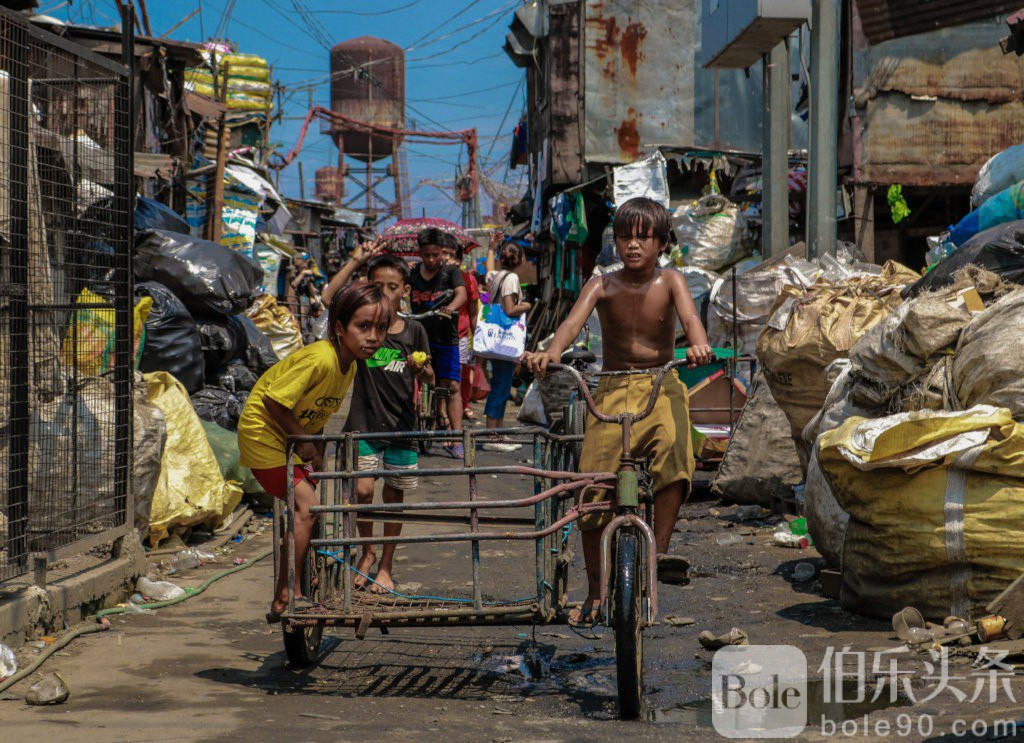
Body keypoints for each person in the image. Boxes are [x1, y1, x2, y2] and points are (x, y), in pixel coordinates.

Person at [522, 196, 713, 627]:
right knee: (590, 486)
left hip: (661, 382)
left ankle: (659, 553)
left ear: (662, 243)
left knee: (676, 455)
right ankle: (594, 592)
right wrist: (549, 353)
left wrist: (698, 343)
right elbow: (571, 325)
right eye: (625, 236)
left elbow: (691, 320)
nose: (633, 245)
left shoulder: (672, 281)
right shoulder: (601, 284)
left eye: (644, 237)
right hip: (610, 387)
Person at [238, 282, 392, 622]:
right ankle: (286, 593)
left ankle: (290, 588)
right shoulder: (321, 358)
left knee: (307, 507)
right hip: (263, 433)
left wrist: (317, 447)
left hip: (287, 437)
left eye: (381, 328)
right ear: (339, 328)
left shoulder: (348, 366)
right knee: (306, 507)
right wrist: (306, 442)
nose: (374, 337)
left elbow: (315, 410)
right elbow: (274, 402)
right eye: (363, 327)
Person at [342, 252, 434, 594]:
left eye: (392, 287)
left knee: (395, 495)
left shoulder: (415, 331)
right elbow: (328, 299)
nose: (384, 292)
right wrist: (353, 262)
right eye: (376, 285)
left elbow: (431, 377)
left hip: (401, 425)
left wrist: (419, 369)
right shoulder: (361, 329)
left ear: (405, 290)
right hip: (364, 422)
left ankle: (386, 565)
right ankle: (367, 551)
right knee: (362, 491)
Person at [409, 227, 467, 458]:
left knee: (451, 387)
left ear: (442, 252)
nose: (431, 260)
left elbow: (461, 294)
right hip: (419, 336)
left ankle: (456, 438)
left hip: (446, 338)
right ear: (420, 253)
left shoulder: (451, 272)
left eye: (435, 255)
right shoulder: (412, 274)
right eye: (426, 255)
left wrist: (450, 308)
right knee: (412, 379)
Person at [480, 233, 532, 452]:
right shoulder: (511, 279)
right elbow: (510, 309)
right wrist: (527, 305)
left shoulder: (495, 276)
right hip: (505, 342)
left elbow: (489, 268)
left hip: (495, 341)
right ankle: (493, 436)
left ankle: (498, 433)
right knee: (501, 387)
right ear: (520, 259)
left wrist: (491, 248)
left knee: (499, 385)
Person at [441, 242, 480, 422]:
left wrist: (478, 336)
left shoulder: (468, 279)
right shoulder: (432, 277)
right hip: (436, 332)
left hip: (461, 334)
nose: (449, 261)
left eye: (452, 257)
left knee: (462, 372)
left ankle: (463, 404)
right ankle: (440, 409)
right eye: (445, 255)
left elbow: (473, 311)